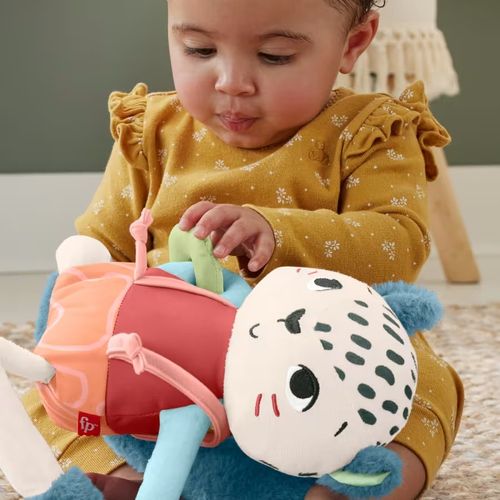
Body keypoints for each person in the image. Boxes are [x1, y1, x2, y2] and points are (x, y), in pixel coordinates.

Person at [22, 0, 463, 498]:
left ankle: (337, 492)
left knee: (422, 385)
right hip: (163, 372)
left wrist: (279, 233)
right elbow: (99, 254)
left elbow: (396, 244)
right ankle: (129, 480)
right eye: (199, 49)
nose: (232, 82)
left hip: (319, 369)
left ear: (353, 43)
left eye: (275, 56)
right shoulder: (151, 133)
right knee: (51, 388)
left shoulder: (369, 133)